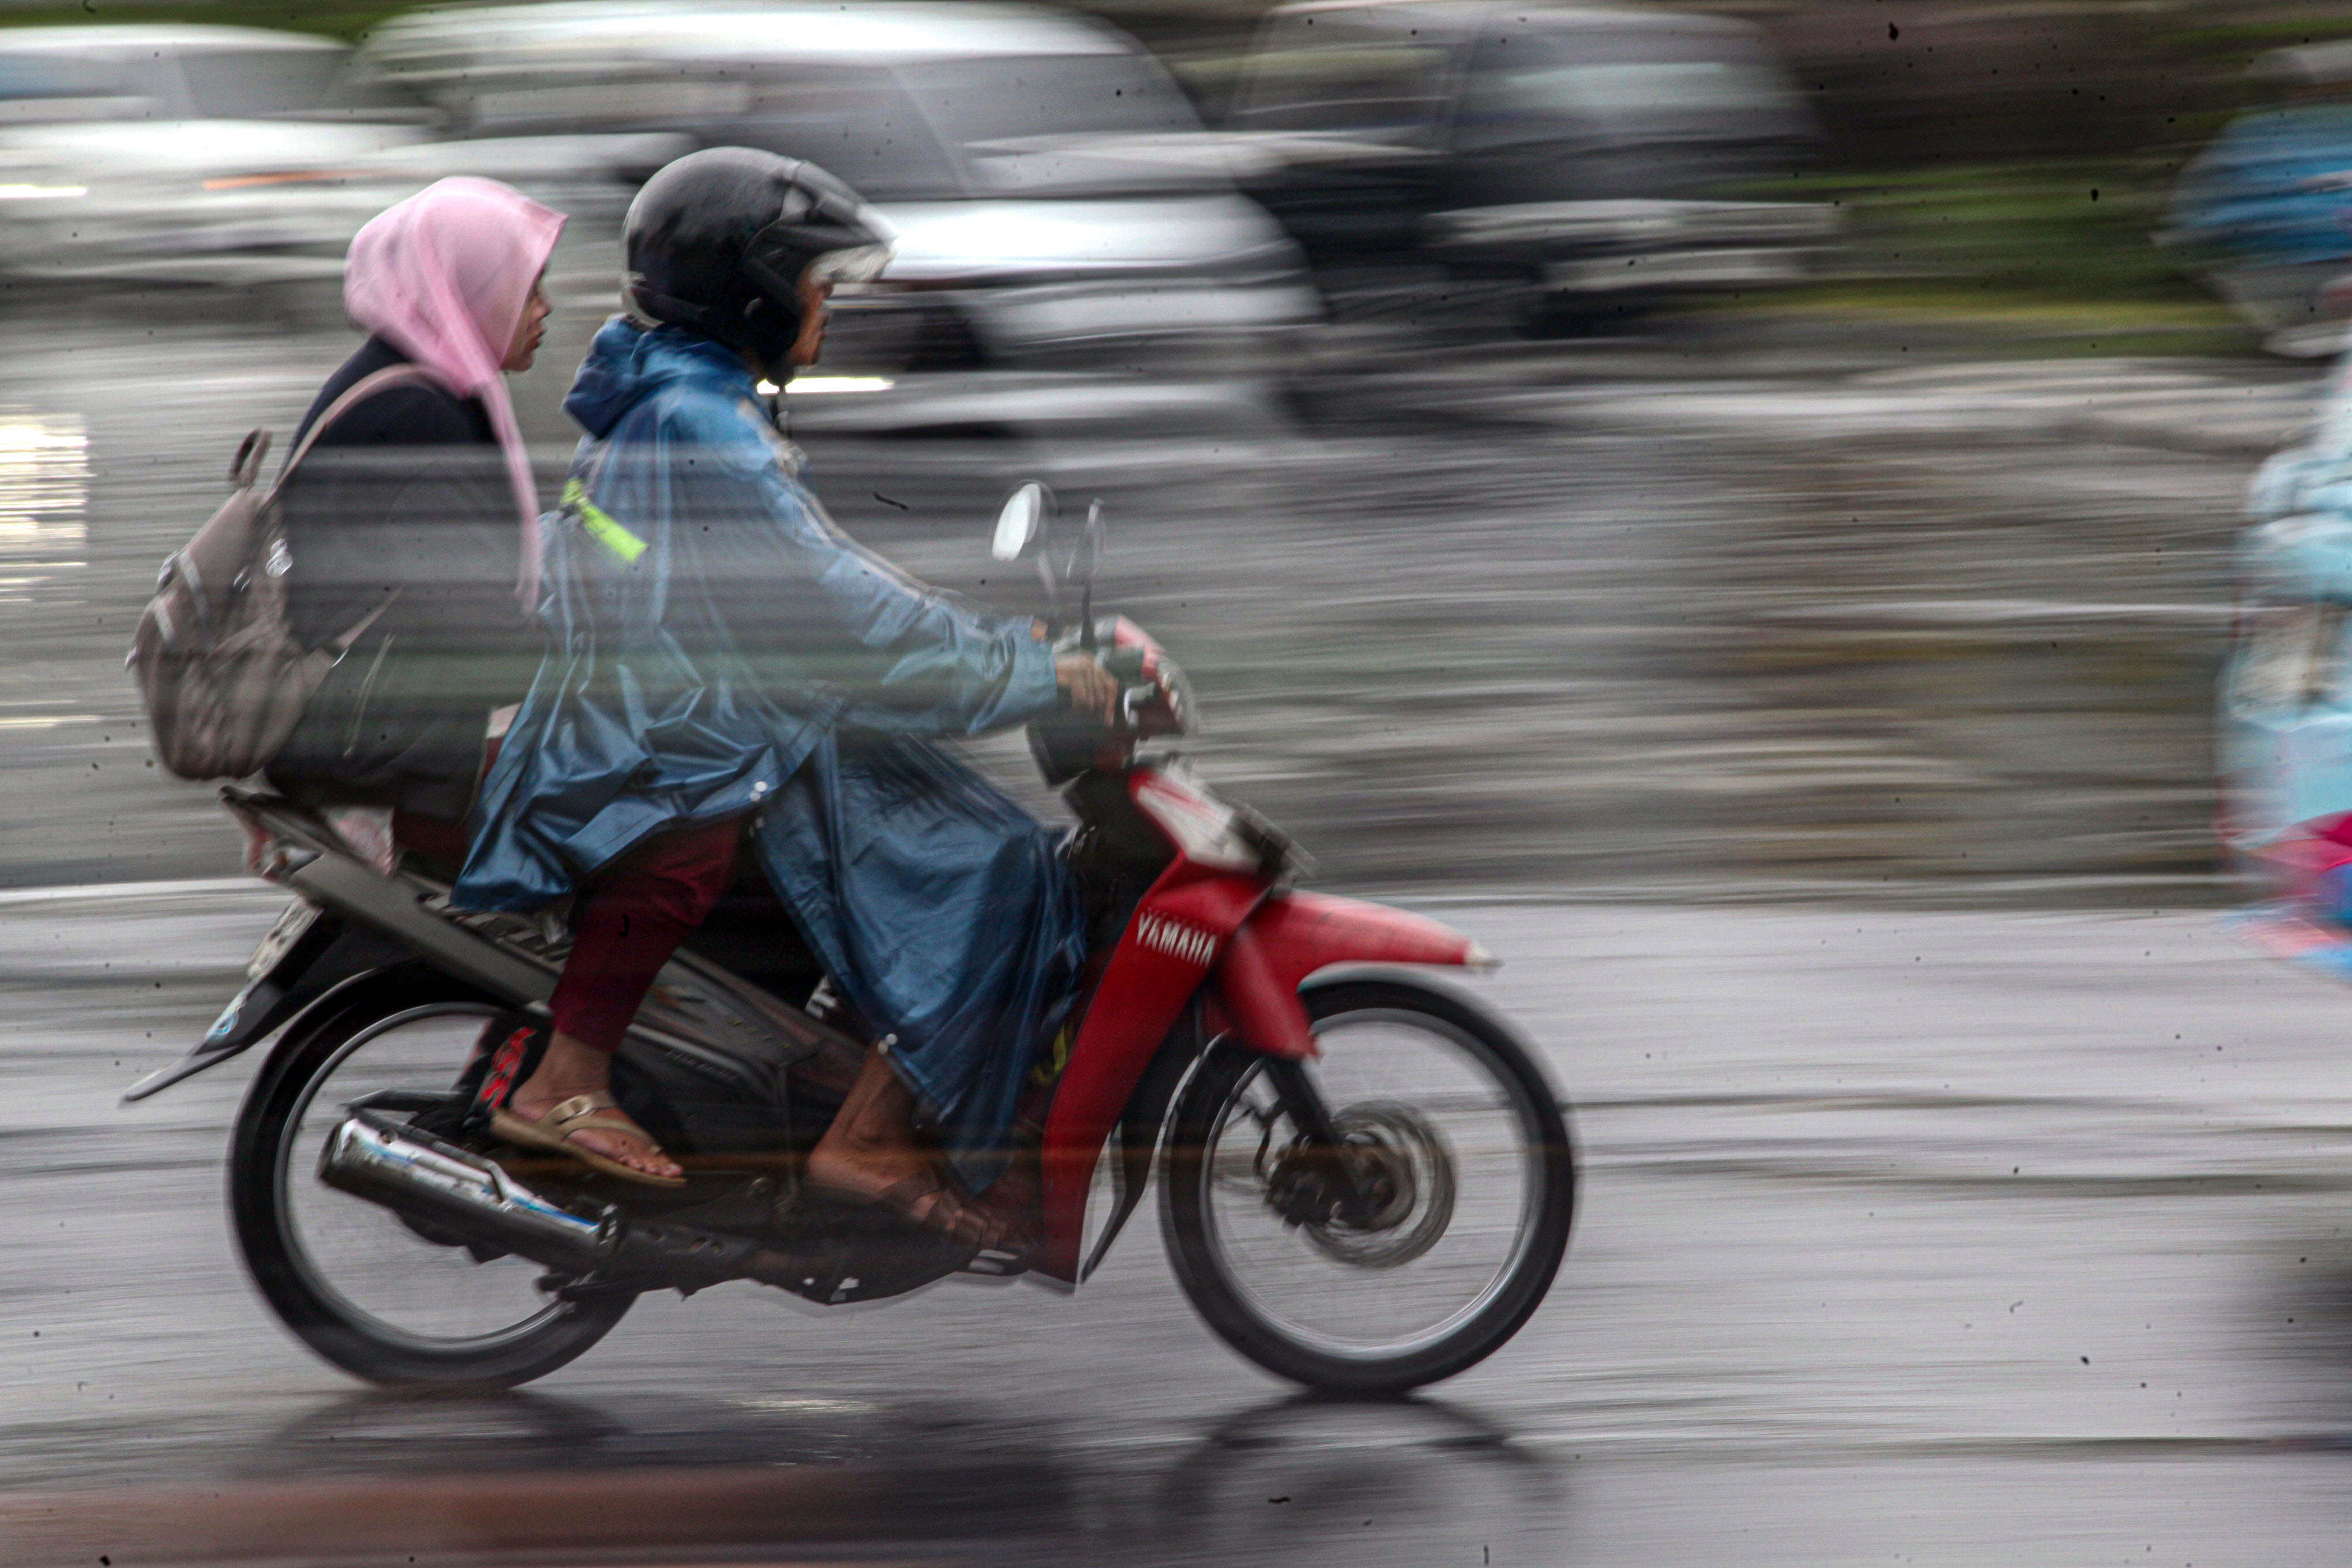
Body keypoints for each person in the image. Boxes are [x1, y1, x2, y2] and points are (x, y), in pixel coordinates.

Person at [456, 149, 1117, 1245]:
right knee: (1000, 865)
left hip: (690, 711)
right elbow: (844, 612)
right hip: (687, 739)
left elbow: (824, 590)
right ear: (753, 293)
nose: (827, 308)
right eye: (815, 285)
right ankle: (866, 1136)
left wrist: (1002, 645)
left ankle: (859, 1078)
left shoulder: (673, 392)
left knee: (943, 826)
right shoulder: (706, 426)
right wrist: (1027, 669)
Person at [265, 177, 564, 847]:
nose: (545, 309)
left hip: (358, 716)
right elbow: (474, 614)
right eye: (527, 288)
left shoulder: (404, 383)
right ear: (468, 292)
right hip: (371, 739)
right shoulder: (416, 413)